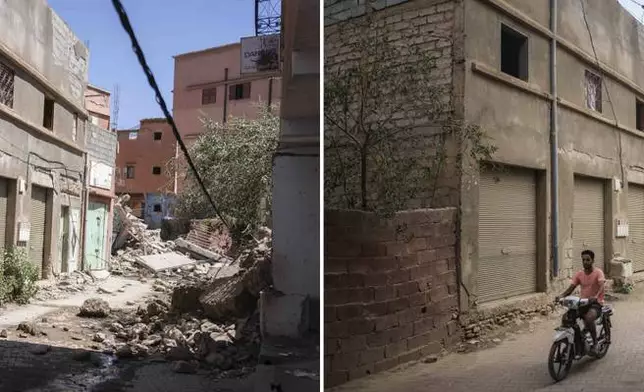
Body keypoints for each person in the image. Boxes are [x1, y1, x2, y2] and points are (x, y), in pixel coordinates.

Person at [555, 249, 606, 354]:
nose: (585, 262)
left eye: (588, 260)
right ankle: (577, 340)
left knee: (588, 318)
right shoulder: (579, 274)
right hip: (582, 302)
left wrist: (596, 297)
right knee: (567, 318)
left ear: (592, 260)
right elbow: (571, 288)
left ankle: (595, 343)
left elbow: (602, 285)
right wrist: (561, 296)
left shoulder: (598, 272)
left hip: (595, 303)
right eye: (583, 260)